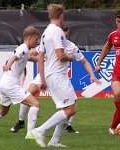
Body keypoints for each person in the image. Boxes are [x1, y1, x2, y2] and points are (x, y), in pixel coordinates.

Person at [10, 24, 100, 134]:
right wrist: (21, 56)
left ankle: (68, 127)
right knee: (28, 94)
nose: (65, 38)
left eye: (67, 36)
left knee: (73, 101)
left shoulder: (71, 47)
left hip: (59, 77)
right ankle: (21, 121)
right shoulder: (50, 44)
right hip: (46, 75)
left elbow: (84, 61)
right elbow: (32, 53)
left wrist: (92, 75)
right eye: (63, 36)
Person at [31, 4, 76, 147]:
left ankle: (54, 141)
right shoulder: (57, 32)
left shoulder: (45, 32)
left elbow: (40, 57)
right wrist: (70, 57)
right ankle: (40, 130)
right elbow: (61, 55)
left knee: (70, 107)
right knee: (71, 109)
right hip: (57, 75)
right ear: (61, 15)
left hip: (53, 75)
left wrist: (43, 79)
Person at [0, 26, 40, 139]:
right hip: (11, 85)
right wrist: (8, 65)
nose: (37, 42)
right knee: (35, 104)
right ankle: (30, 134)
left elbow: (29, 58)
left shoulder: (25, 50)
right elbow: (14, 57)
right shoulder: (22, 48)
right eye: (36, 39)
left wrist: (42, 59)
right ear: (30, 37)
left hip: (4, 84)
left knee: (2, 111)